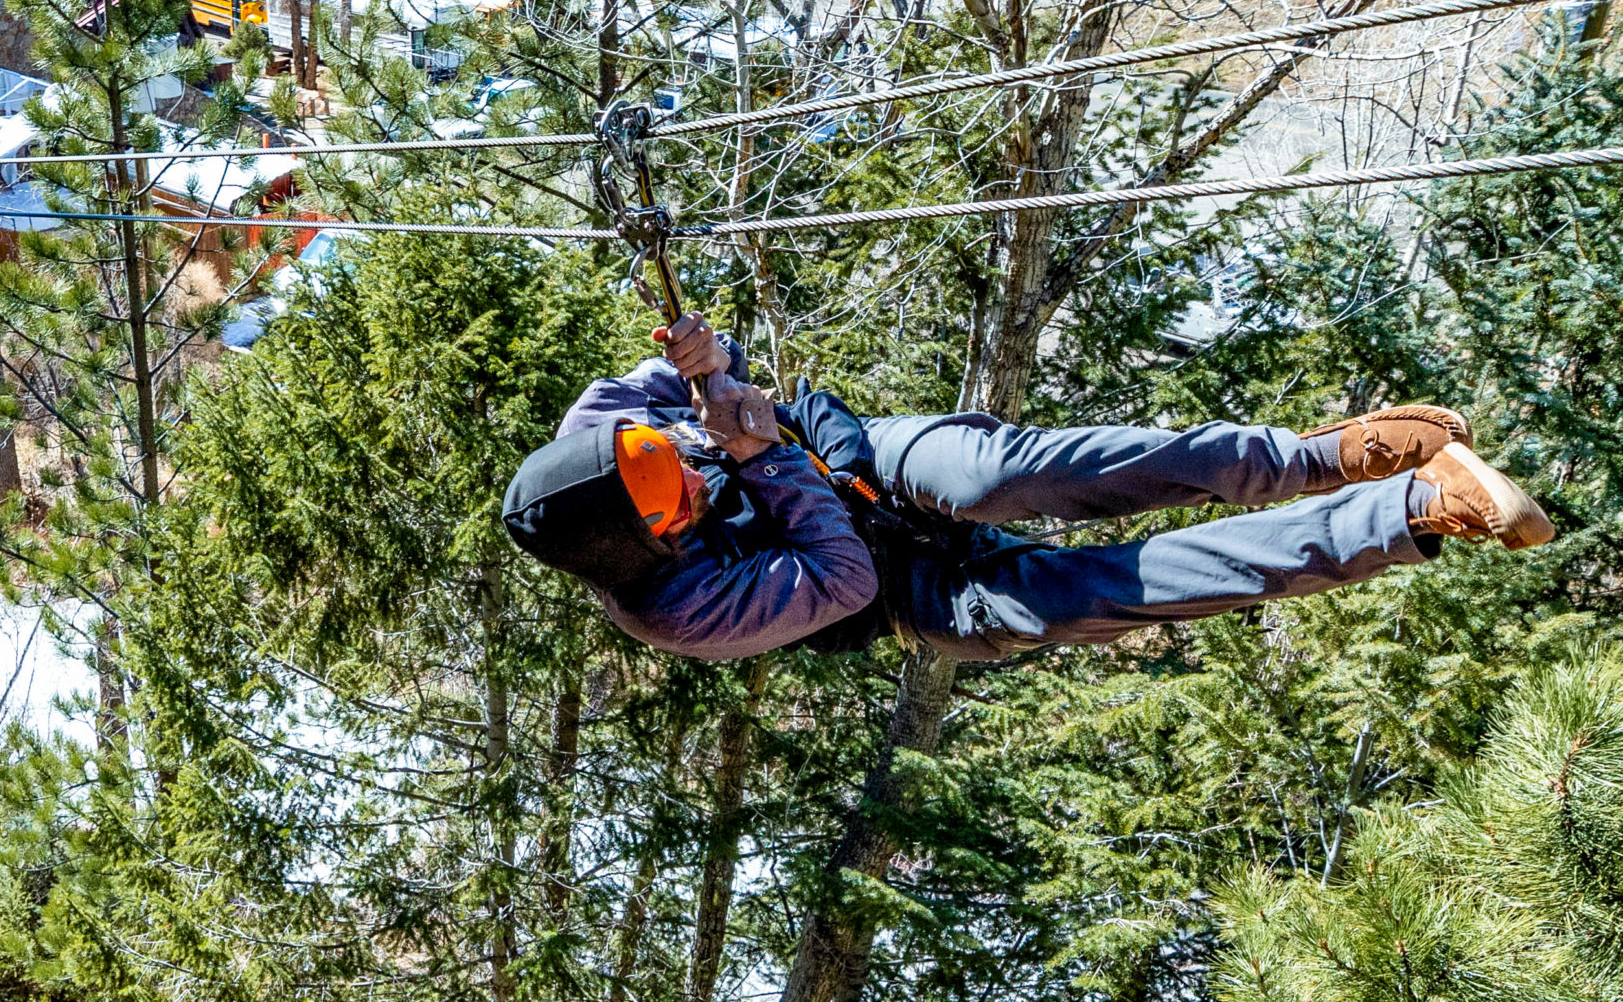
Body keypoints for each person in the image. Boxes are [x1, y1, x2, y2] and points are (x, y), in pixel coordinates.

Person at [501, 315, 1554, 662]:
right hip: (898, 589)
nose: (683, 473)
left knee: (1019, 471)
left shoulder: (608, 426)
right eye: (674, 500)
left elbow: (701, 364)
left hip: (855, 460)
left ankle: (1321, 454)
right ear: (645, 546)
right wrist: (753, 459)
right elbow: (839, 581)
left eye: (669, 455)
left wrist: (704, 360)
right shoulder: (676, 609)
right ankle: (1415, 509)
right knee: (1128, 584)